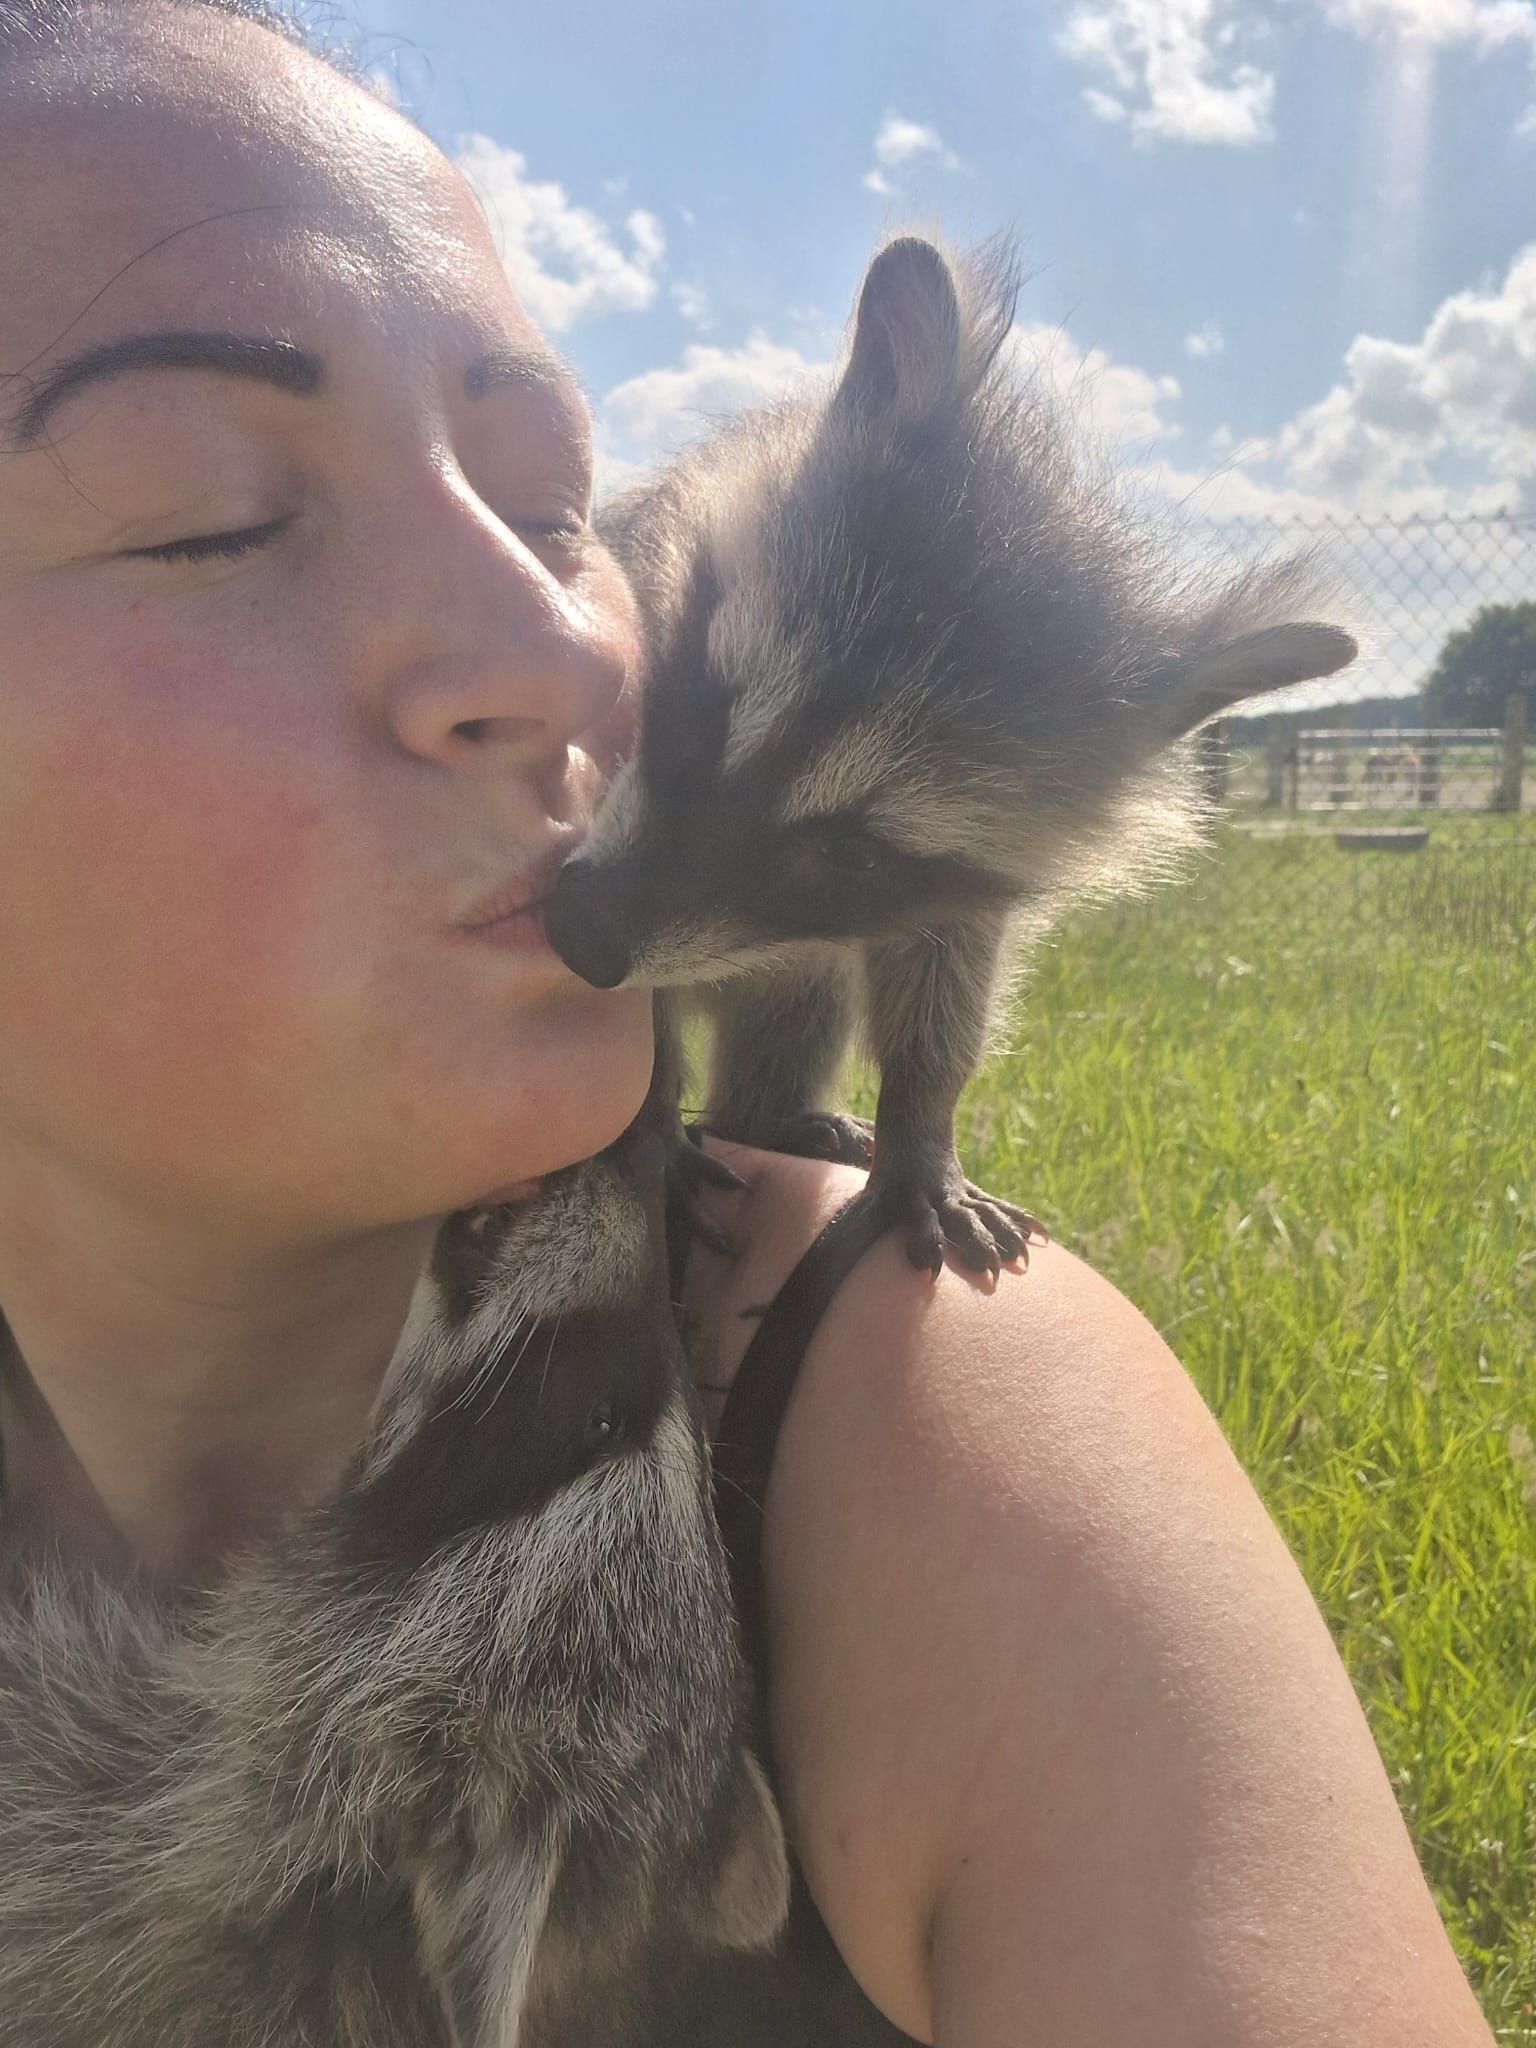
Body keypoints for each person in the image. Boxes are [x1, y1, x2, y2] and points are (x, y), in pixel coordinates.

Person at [0, 3, 1496, 2041]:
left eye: (548, 501)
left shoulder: (923, 1431)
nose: (555, 647)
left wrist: (918, 1153)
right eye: (212, 512)